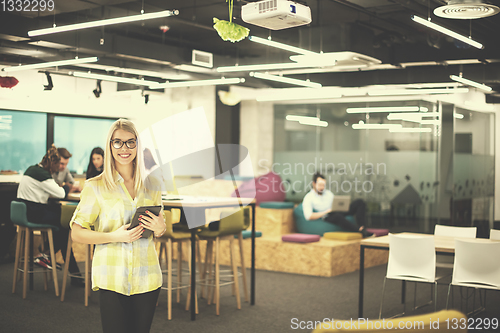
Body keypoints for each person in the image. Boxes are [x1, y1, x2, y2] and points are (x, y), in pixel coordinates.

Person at [70, 119, 167, 333]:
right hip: (112, 277)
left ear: (137, 145)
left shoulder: (153, 185)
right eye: (118, 142)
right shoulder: (95, 186)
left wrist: (160, 228)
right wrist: (115, 236)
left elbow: (159, 230)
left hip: (147, 275)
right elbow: (76, 233)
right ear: (110, 145)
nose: (125, 149)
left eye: (130, 142)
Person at [16, 145, 83, 285]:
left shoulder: (32, 169)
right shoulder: (43, 175)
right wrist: (67, 186)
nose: (58, 169)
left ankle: (47, 254)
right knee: (66, 224)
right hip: (34, 213)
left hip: (25, 211)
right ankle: (46, 254)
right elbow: (61, 193)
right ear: (52, 163)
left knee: (63, 223)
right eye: (58, 165)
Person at [302, 172, 373, 238]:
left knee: (359, 202)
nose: (322, 187)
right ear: (314, 184)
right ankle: (360, 231)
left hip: (336, 211)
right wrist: (326, 211)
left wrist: (342, 206)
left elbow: (336, 203)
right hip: (327, 216)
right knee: (337, 216)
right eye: (320, 185)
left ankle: (363, 227)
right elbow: (309, 216)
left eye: (323, 185)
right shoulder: (308, 197)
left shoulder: (328, 193)